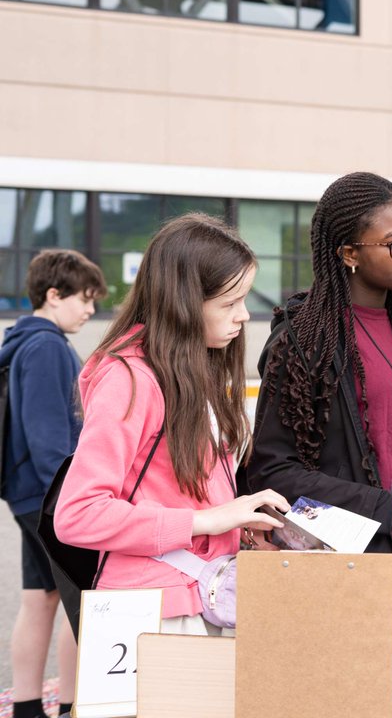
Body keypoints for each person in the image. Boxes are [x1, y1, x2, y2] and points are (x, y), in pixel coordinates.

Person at [250, 173, 392, 685]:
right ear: (349, 254)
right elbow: (271, 472)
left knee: (389, 700)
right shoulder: (302, 342)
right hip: (340, 564)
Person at [53, 215, 291, 639]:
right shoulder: (130, 378)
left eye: (244, 299)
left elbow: (179, 492)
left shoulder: (190, 367)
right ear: (182, 300)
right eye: (229, 302)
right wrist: (210, 520)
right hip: (154, 612)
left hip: (199, 598)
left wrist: (238, 523)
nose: (242, 317)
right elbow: (77, 515)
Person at [2, 250, 105, 718]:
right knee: (80, 599)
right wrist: (71, 504)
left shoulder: (23, 342)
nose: (89, 310)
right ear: (53, 294)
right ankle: (71, 701)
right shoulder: (47, 348)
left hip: (28, 496)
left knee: (40, 597)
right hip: (50, 499)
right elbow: (49, 441)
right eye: (84, 300)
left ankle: (27, 704)